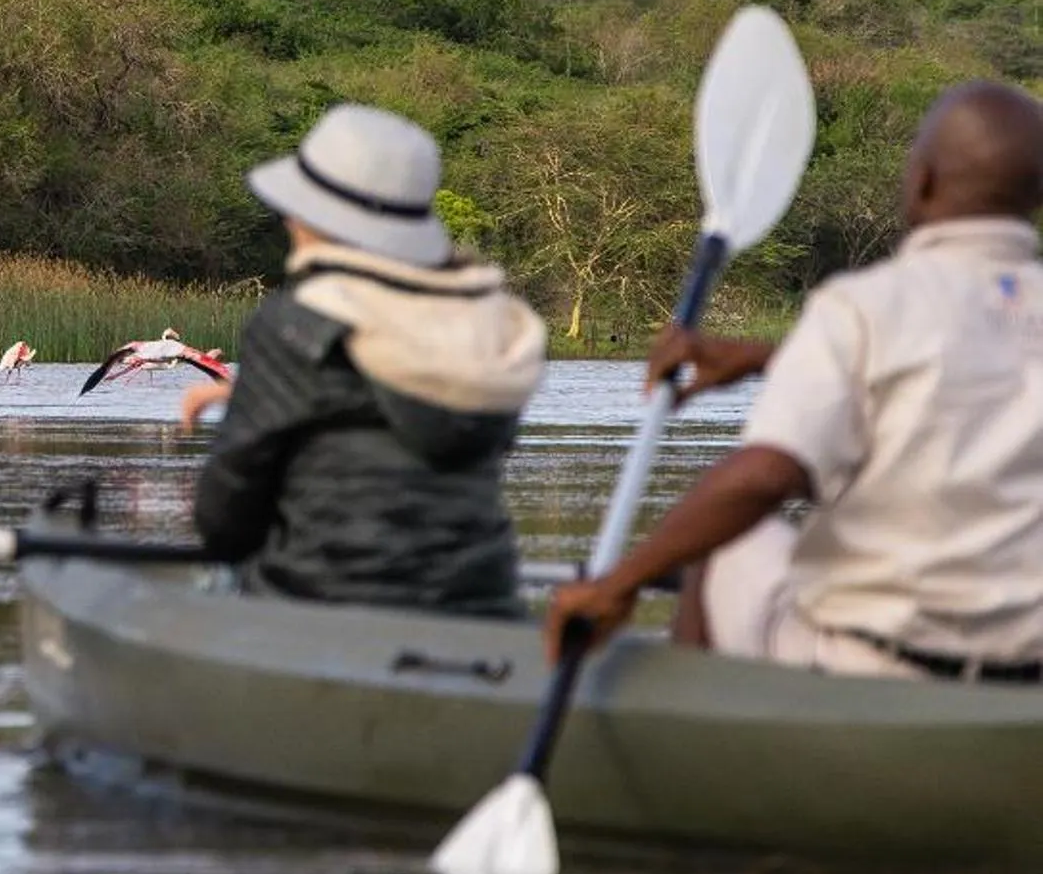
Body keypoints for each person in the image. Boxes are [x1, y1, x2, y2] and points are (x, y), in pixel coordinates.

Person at [549, 79, 1043, 681]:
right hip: (1023, 675)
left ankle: (693, 730)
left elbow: (762, 478)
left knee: (729, 544)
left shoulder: (865, 306)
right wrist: (769, 358)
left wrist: (619, 583)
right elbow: (975, 373)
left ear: (924, 182)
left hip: (881, 669)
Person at [190, 103, 548, 615]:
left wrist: (253, 403)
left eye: (296, 206)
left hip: (324, 600)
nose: (288, 219)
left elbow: (225, 520)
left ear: (316, 218)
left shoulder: (300, 322)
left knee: (216, 582)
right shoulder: (494, 329)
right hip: (483, 602)